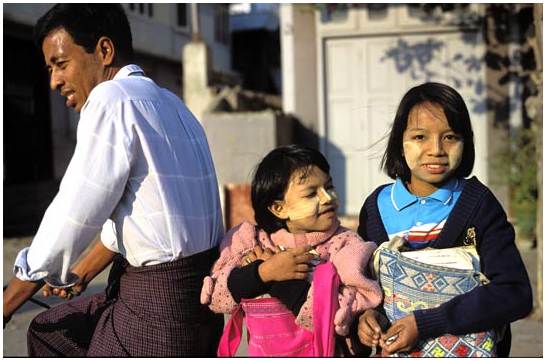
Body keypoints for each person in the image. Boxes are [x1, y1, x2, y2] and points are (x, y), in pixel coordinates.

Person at [3, 4, 224, 356]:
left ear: (104, 51)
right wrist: (82, 272)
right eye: (49, 69)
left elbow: (75, 210)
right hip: (202, 309)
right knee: (49, 331)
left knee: (53, 334)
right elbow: (146, 214)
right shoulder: (173, 105)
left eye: (61, 64)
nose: (54, 81)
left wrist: (9, 300)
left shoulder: (110, 99)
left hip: (155, 312)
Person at [356, 82, 533, 356]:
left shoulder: (479, 205)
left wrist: (427, 323)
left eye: (450, 137)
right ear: (399, 143)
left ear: (466, 141)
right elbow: (366, 287)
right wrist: (366, 316)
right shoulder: (375, 209)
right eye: (419, 137)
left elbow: (514, 294)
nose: (436, 149)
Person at [200, 144, 383, 355]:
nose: (328, 198)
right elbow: (216, 296)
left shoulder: (345, 246)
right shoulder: (250, 241)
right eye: (311, 193)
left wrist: (280, 281)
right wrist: (263, 272)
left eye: (329, 187)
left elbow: (341, 317)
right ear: (279, 208)